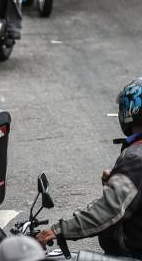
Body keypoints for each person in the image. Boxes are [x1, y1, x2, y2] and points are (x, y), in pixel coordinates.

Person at [35, 79, 142, 258]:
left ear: (129, 110)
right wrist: (118, 179)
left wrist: (58, 230)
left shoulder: (135, 159)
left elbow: (108, 210)